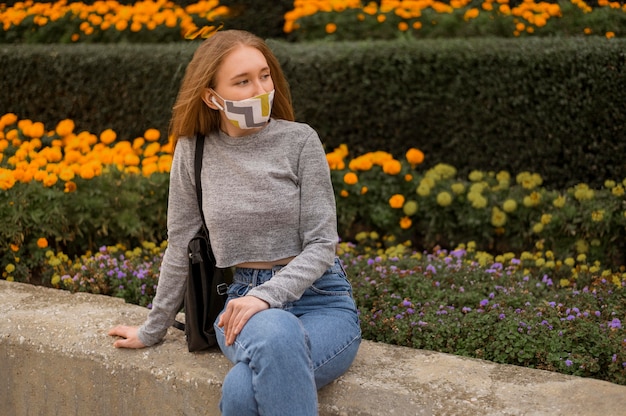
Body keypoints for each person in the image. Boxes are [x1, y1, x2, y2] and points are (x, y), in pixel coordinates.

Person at [108, 29, 361, 415]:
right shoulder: (194, 151)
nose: (260, 89)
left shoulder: (300, 141)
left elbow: (323, 243)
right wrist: (151, 329)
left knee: (243, 387)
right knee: (276, 333)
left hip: (321, 301)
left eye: (264, 75)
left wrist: (268, 295)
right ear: (212, 96)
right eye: (242, 81)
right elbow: (181, 245)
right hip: (242, 301)